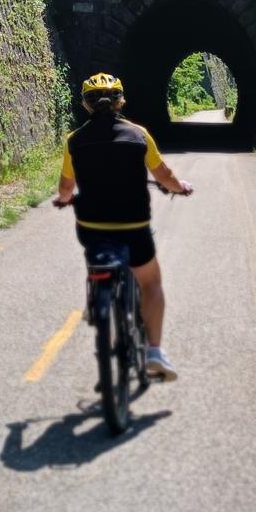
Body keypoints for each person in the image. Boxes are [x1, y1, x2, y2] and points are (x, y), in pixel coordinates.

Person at [52, 72, 193, 381]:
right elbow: (164, 176)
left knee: (95, 249)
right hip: (134, 224)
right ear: (121, 101)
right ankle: (154, 351)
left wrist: (64, 199)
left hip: (92, 224)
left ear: (86, 105)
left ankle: (97, 293)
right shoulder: (139, 135)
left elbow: (65, 187)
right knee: (151, 283)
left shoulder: (74, 141)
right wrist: (179, 187)